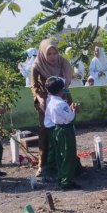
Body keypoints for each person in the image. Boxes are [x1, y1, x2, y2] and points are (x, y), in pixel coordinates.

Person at [31, 39, 74, 181]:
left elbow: (67, 82)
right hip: (46, 102)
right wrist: (39, 97)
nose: (52, 56)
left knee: (66, 128)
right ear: (43, 53)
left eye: (55, 53)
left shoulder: (63, 62)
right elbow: (34, 85)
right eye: (49, 53)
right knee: (45, 131)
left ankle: (67, 163)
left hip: (63, 97)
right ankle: (43, 165)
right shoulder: (37, 65)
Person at [44, 76, 81, 190]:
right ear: (61, 90)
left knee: (60, 156)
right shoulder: (61, 104)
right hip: (65, 130)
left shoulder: (50, 102)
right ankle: (66, 181)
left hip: (56, 129)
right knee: (67, 155)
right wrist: (73, 109)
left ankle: (61, 178)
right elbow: (70, 117)